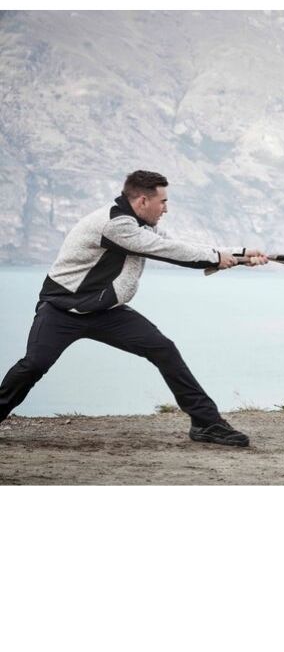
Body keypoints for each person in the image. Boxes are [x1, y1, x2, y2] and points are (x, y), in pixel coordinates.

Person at [0, 170, 268, 447]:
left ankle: (206, 423)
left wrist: (239, 253)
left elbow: (177, 245)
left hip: (105, 311)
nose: (166, 209)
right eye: (163, 202)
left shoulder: (140, 223)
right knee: (34, 365)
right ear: (142, 201)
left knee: (163, 348)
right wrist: (217, 258)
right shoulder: (115, 225)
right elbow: (166, 251)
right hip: (61, 309)